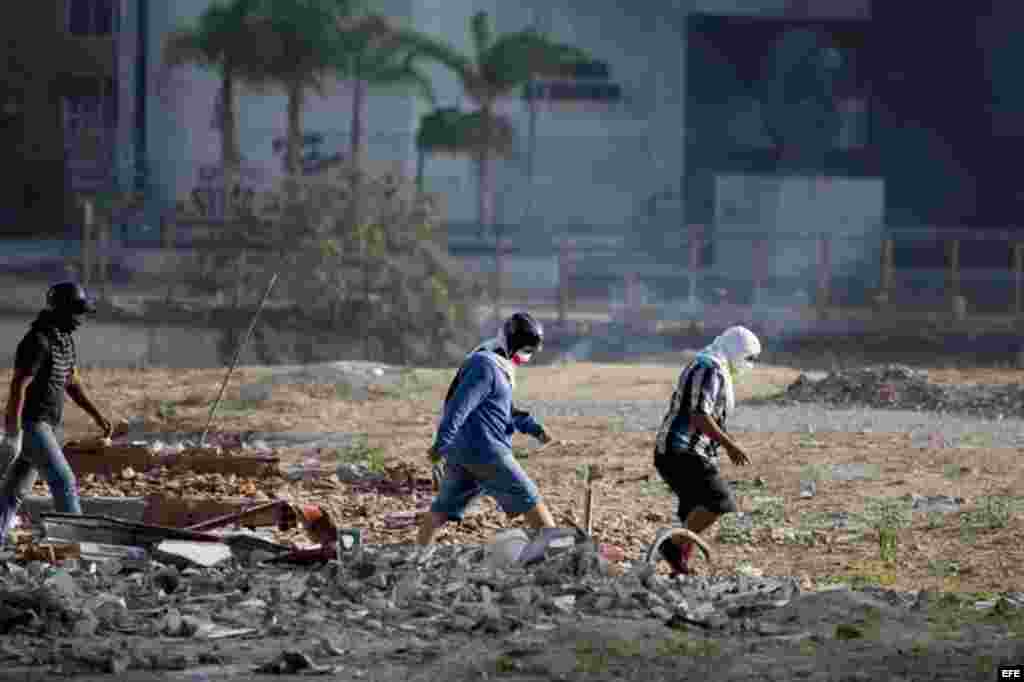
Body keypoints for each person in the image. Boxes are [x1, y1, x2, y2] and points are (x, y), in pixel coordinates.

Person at [418, 312, 556, 551]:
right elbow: (458, 407)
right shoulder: (484, 366)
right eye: (525, 349)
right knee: (532, 501)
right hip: (488, 453)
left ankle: (418, 559)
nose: (526, 355)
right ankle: (559, 556)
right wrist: (440, 445)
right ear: (512, 343)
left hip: (464, 455)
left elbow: (504, 410)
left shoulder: (497, 363)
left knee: (439, 514)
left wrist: (534, 429)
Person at [0, 282, 113, 548]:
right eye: (75, 312)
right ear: (60, 310)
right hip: (33, 425)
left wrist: (97, 416)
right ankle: (77, 547)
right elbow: (18, 385)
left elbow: (71, 382)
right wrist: (13, 434)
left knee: (13, 492)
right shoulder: (37, 341)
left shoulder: (64, 340)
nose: (80, 319)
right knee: (64, 481)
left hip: (46, 426)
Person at [647, 325, 761, 575]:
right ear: (735, 350)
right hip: (680, 451)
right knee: (719, 500)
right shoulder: (708, 368)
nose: (750, 364)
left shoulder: (717, 369)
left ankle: (679, 567)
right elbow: (699, 415)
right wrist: (730, 445)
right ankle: (670, 548)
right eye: (749, 358)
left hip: (690, 451)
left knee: (692, 510)